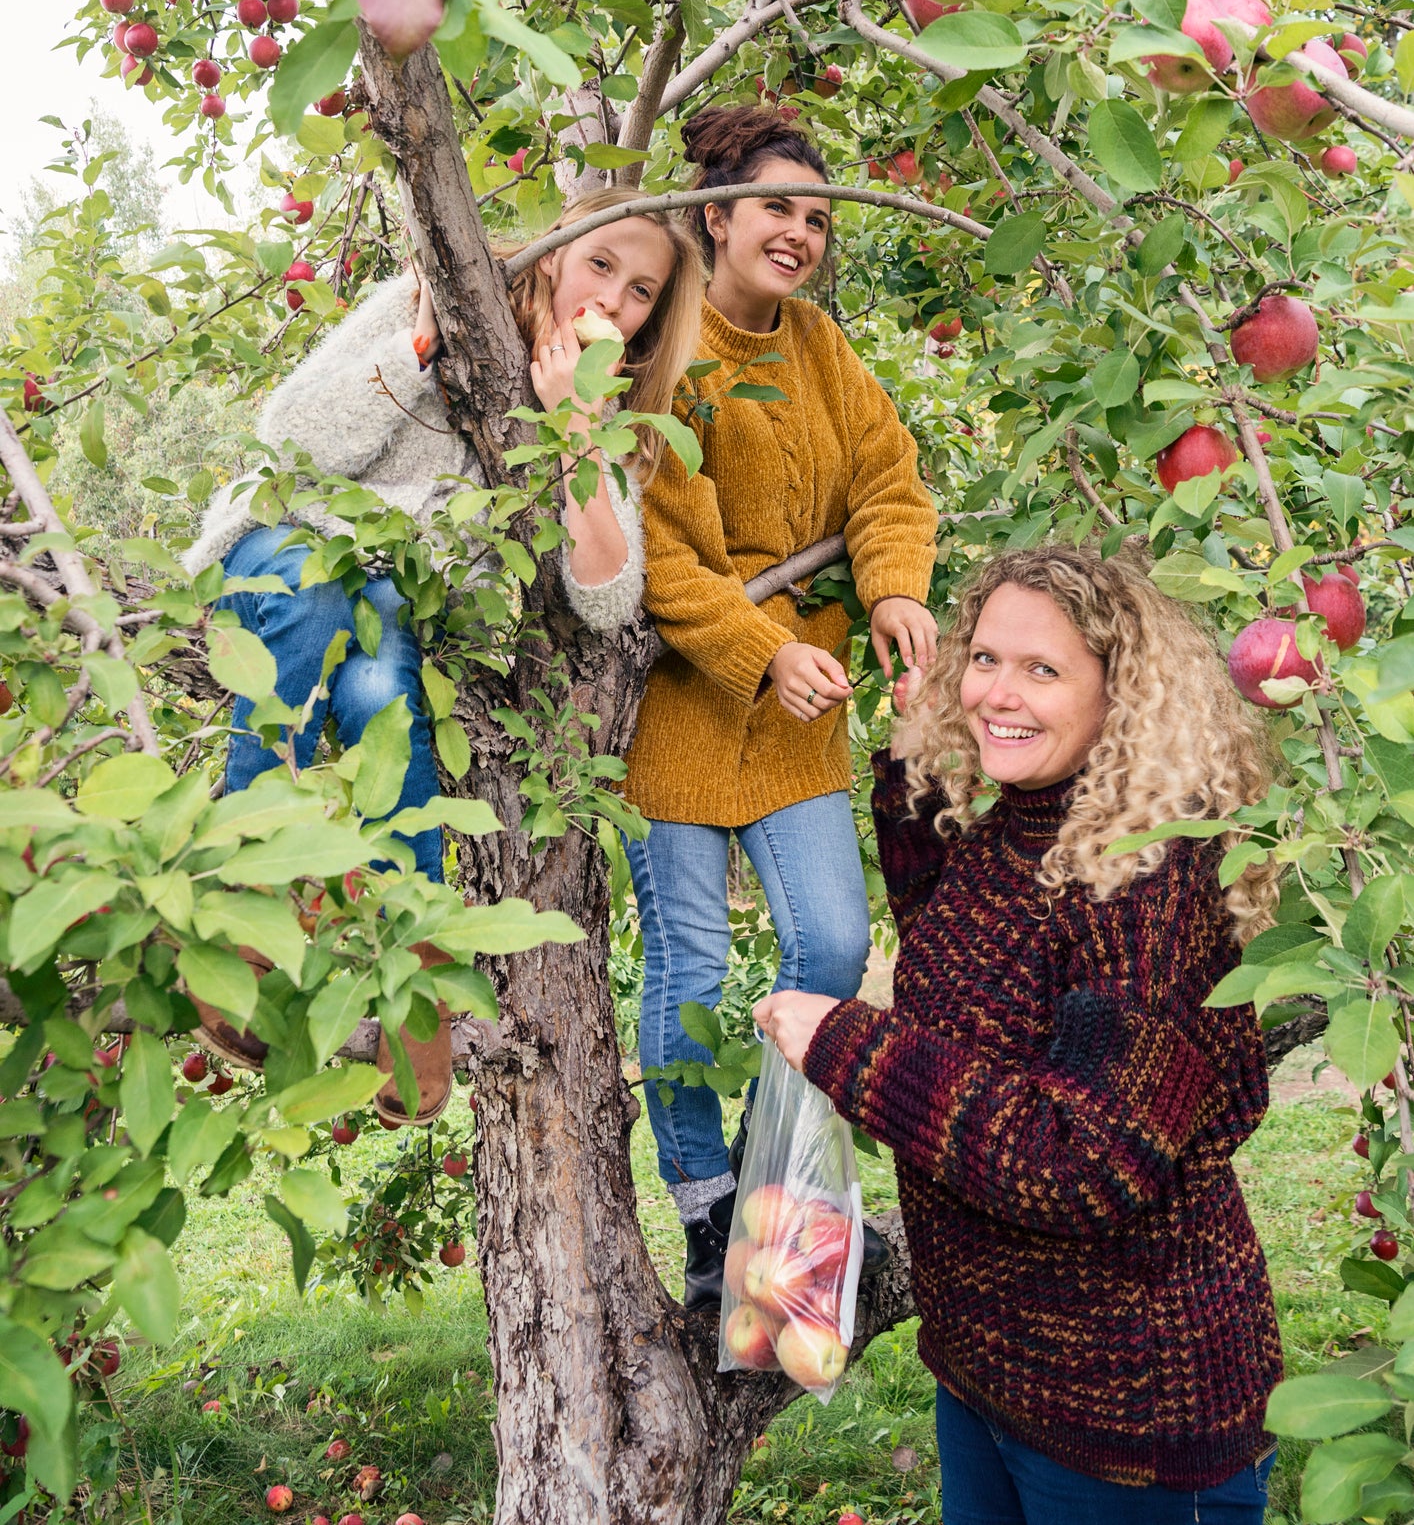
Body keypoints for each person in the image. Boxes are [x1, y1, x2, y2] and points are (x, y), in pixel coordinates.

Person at [756, 544, 1282, 1525]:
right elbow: (967, 959)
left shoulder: (1150, 883)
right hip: (991, 1375)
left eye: (1042, 669)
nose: (999, 690)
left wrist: (849, 1046)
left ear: (1118, 693)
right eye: (985, 658)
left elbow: (1083, 1161)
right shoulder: (1023, 827)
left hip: (1128, 1416)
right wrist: (917, 757)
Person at [184, 193, 704, 1121]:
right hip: (289, 540)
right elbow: (288, 436)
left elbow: (607, 596)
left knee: (387, 681)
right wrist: (414, 355)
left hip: (395, 595)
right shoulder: (421, 301)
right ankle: (246, 882)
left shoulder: (593, 407)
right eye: (599, 267)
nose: (615, 301)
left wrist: (575, 428)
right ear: (551, 253)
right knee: (312, 597)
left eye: (640, 293)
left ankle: (409, 971)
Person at [623, 101, 939, 1305]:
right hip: (683, 709)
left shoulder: (813, 343)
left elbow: (886, 481)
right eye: (776, 210)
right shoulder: (663, 349)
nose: (799, 234)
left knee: (831, 944)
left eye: (815, 218)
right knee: (691, 969)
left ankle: (775, 1191)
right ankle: (708, 1217)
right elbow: (658, 558)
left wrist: (894, 589)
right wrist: (758, 649)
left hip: (801, 703)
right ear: (714, 215)